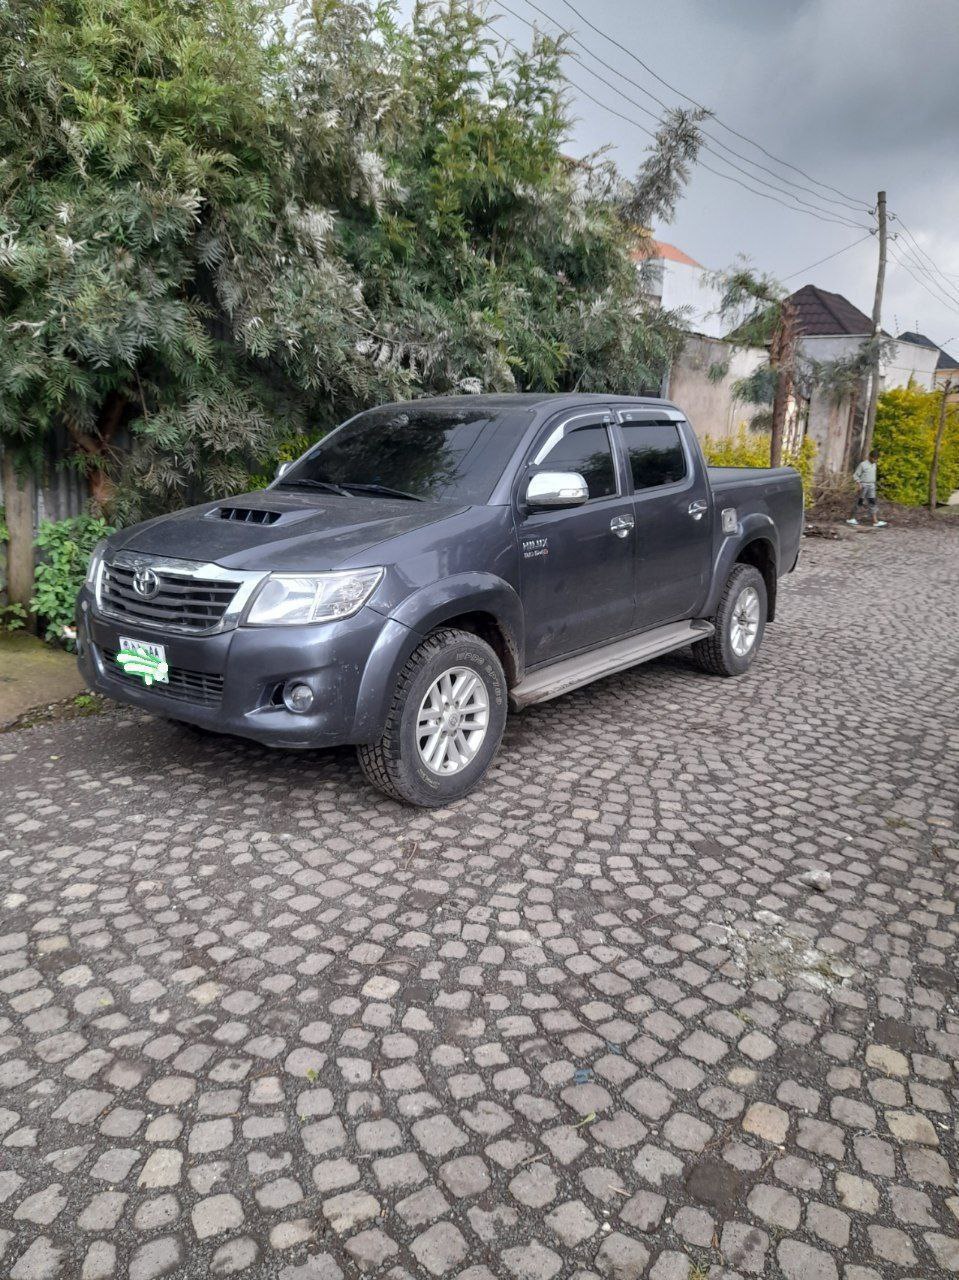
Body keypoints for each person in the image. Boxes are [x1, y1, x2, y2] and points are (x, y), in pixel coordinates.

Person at [847, 449, 887, 527]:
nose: (875, 460)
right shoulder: (863, 464)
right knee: (859, 502)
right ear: (869, 457)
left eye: (876, 459)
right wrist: (858, 484)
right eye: (874, 458)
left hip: (871, 485)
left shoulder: (874, 464)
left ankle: (875, 521)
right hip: (863, 485)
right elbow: (855, 475)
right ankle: (851, 518)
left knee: (872, 502)